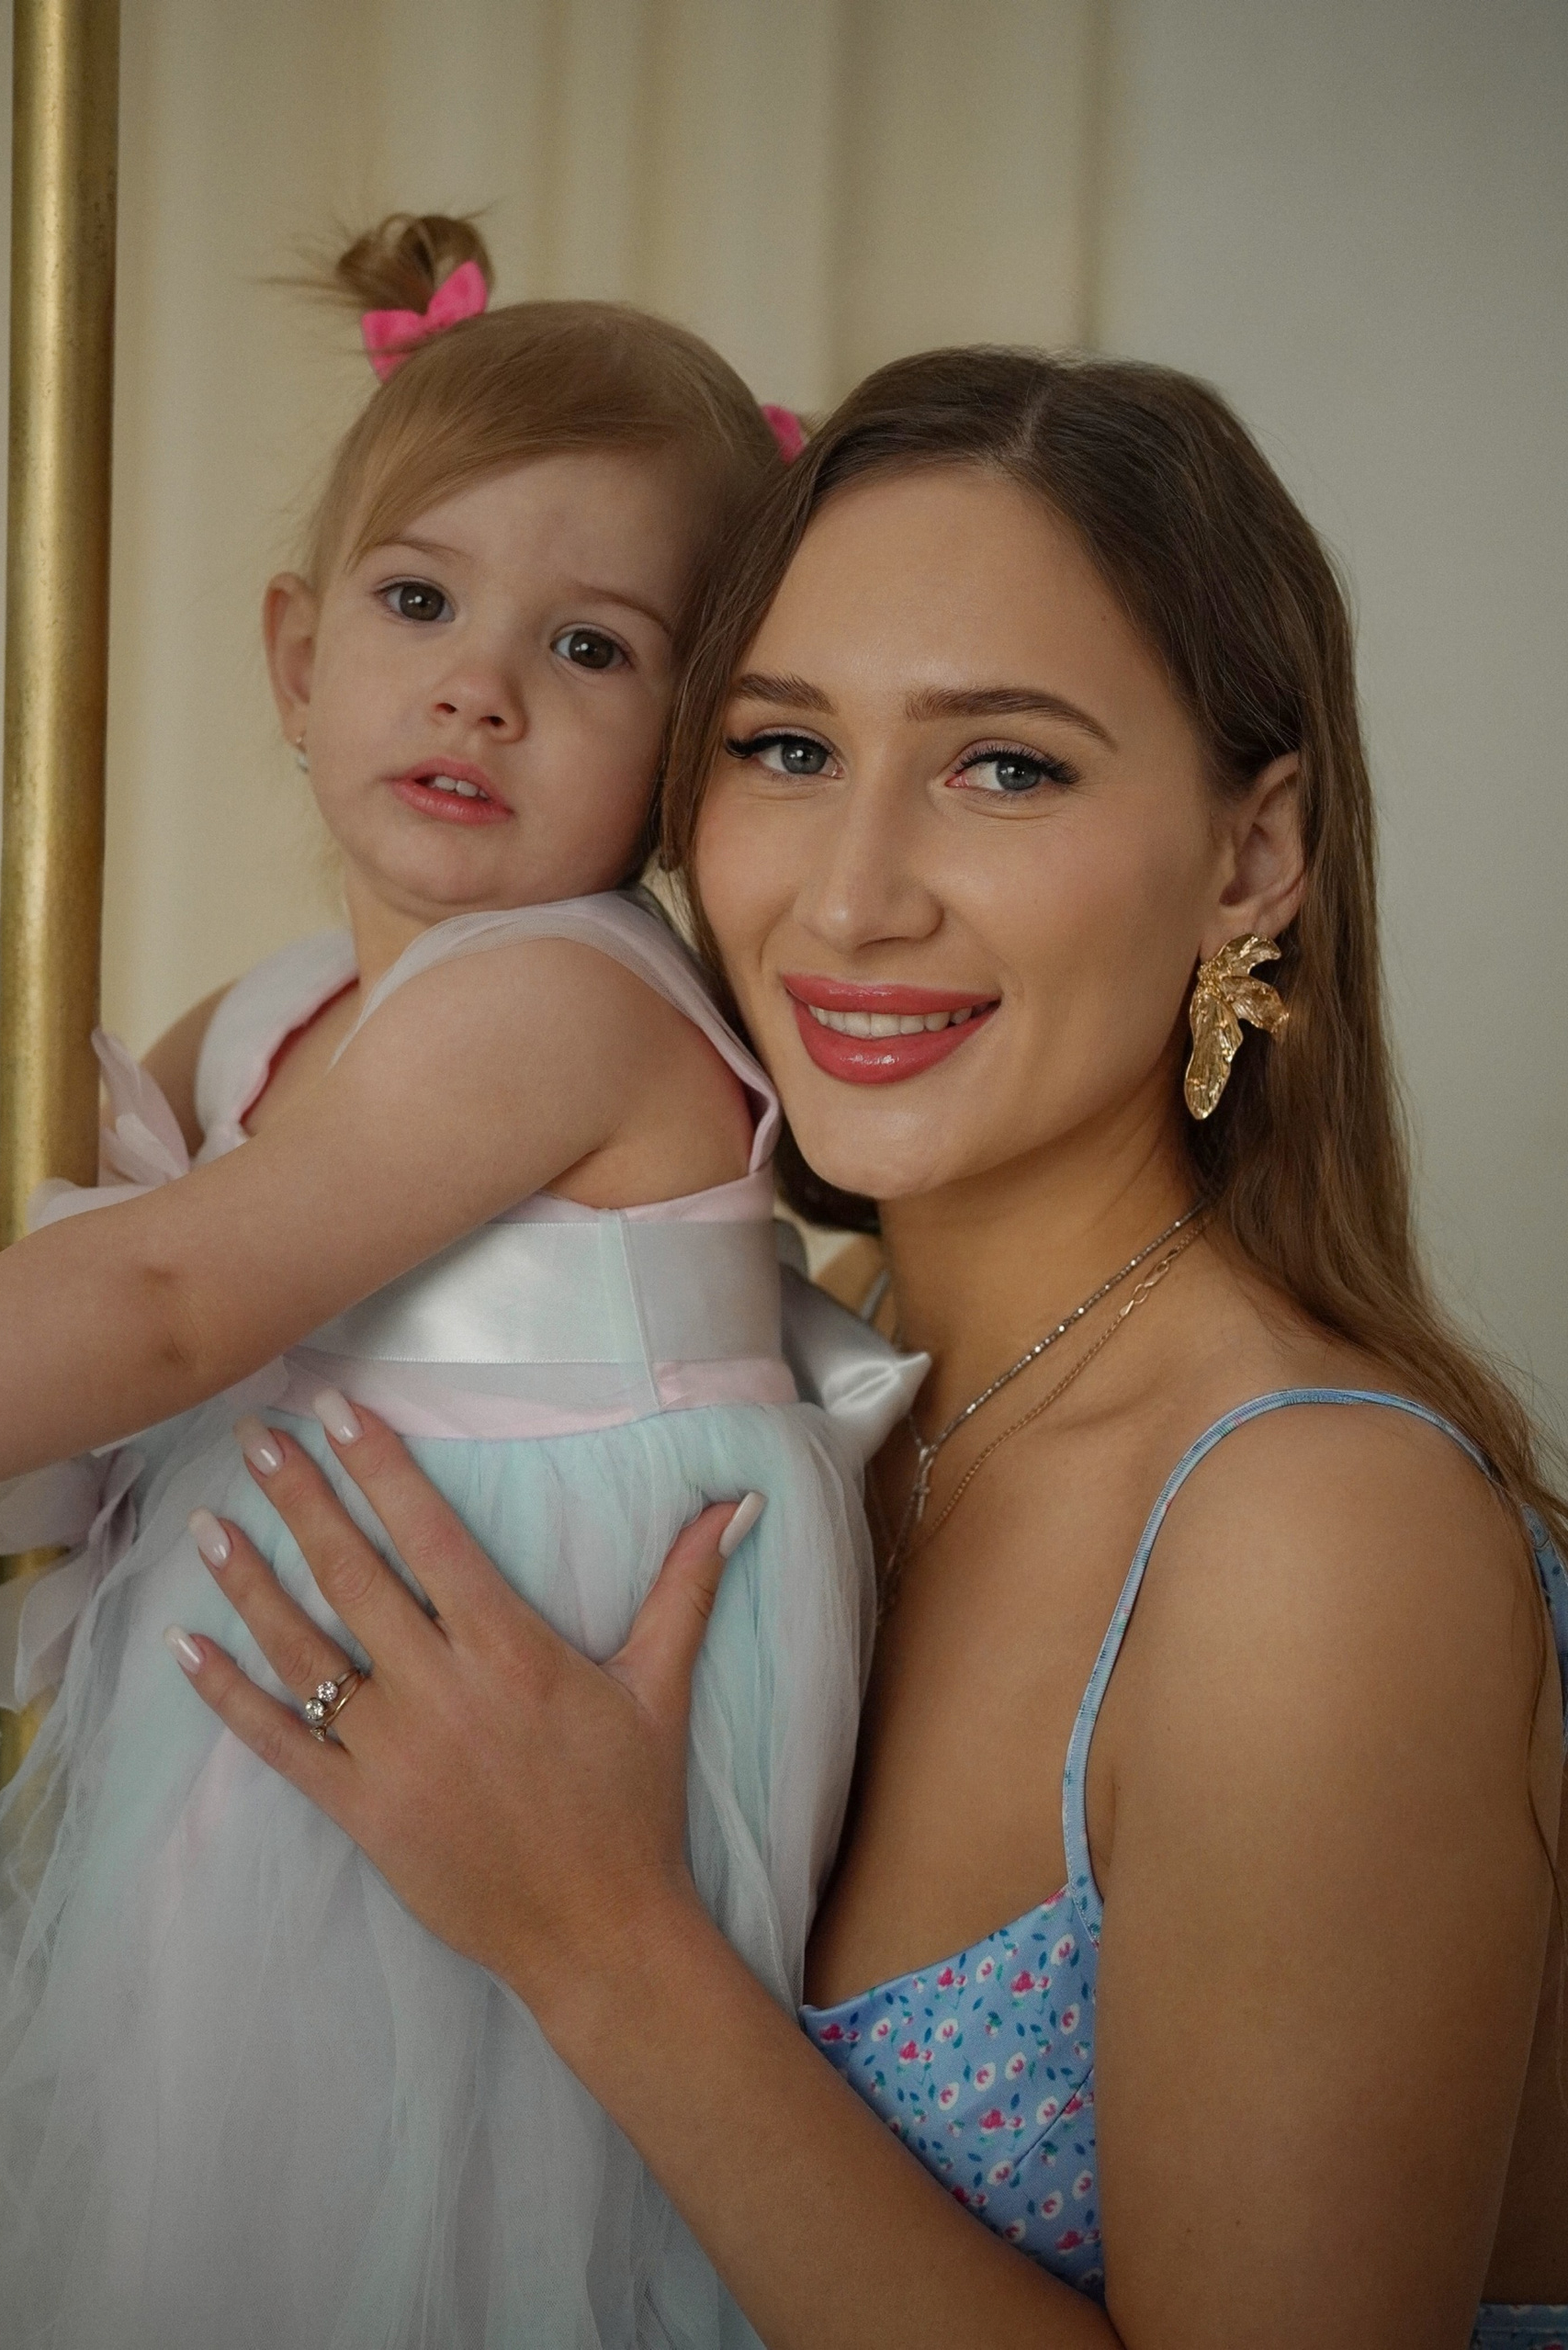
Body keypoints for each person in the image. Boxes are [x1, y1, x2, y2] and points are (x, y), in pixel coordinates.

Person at [176, 348, 1568, 2349]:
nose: (848, 896)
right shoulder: (812, 1362)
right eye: (785, 747)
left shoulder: (1315, 1536)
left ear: (1252, 857)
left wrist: (603, 1942)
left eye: (1006, 767)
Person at [0, 216, 897, 2346]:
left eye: (592, 648)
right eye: (421, 602)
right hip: (287, 1750)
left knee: (409, 2244)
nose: (483, 683)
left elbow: (161, 1307)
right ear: (298, 658)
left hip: (492, 1788)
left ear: (691, 750)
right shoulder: (292, 1007)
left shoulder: (571, 1002)